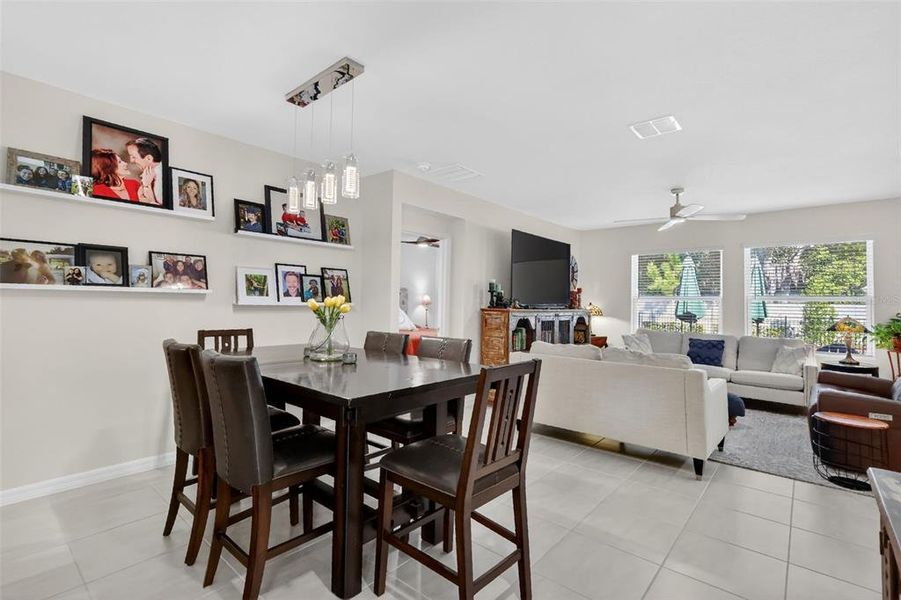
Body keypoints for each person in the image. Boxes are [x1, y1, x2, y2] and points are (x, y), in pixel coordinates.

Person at [126, 137, 163, 205]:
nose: (131, 161)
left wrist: (146, 186)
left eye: (133, 157)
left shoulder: (161, 180)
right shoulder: (150, 176)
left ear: (149, 158)